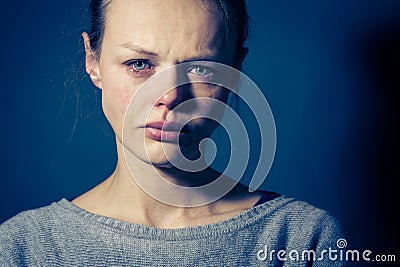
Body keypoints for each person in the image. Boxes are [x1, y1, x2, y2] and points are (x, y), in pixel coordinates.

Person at [0, 0, 346, 266]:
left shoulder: (302, 240)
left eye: (200, 68)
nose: (169, 98)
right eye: (140, 64)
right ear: (93, 61)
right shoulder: (23, 249)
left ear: (235, 71)